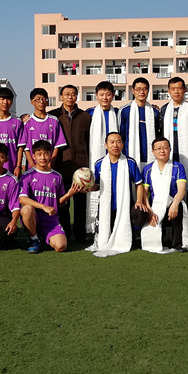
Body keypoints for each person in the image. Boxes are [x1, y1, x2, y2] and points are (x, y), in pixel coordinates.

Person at [87, 132, 151, 257]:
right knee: (105, 236)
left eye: (118, 142)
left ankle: (134, 233)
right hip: (106, 207)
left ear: (122, 144)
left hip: (125, 206)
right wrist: (87, 188)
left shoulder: (130, 163)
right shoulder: (99, 164)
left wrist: (139, 201)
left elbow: (139, 184)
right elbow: (97, 186)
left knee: (139, 213)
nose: (115, 145)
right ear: (106, 145)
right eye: (111, 142)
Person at [19, 140, 82, 253]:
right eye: (39, 154)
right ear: (33, 156)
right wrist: (44, 207)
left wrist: (69, 194)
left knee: (61, 246)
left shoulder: (57, 177)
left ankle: (42, 238)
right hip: (34, 217)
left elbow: (59, 204)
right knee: (27, 209)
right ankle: (34, 239)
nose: (43, 157)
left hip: (51, 220)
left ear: (51, 154)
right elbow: (22, 199)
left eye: (46, 154)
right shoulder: (27, 175)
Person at [48, 84, 91, 243]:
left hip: (81, 168)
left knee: (80, 204)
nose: (70, 97)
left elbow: (89, 141)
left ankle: (80, 235)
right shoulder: (53, 116)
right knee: (63, 203)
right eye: (66, 94)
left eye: (73, 94)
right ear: (61, 97)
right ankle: (64, 232)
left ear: (77, 96)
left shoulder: (85, 117)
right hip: (61, 166)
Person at [158, 76, 188, 248]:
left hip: (187, 155)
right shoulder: (163, 110)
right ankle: (166, 231)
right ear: (168, 91)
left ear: (184, 90)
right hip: (168, 154)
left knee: (186, 187)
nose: (176, 91)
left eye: (179, 88)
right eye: (173, 89)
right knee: (166, 187)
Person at [138, 137, 188, 253]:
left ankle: (177, 243)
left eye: (165, 148)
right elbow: (144, 192)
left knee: (179, 207)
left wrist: (175, 204)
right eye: (158, 148)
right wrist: (149, 211)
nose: (162, 151)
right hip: (154, 205)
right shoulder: (148, 169)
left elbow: (181, 189)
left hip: (172, 203)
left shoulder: (177, 167)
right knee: (138, 213)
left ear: (170, 150)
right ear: (153, 151)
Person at [86, 81, 120, 233]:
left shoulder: (118, 113)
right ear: (96, 96)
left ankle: (115, 225)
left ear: (113, 95)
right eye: (101, 94)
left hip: (116, 160)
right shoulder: (89, 114)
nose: (104, 98)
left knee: (115, 192)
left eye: (108, 94)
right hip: (96, 159)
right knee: (97, 191)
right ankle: (95, 226)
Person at [119, 77, 161, 170]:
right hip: (130, 154)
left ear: (148, 91)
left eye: (144, 89)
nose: (141, 92)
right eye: (138, 89)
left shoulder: (154, 112)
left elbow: (158, 135)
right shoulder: (125, 110)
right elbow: (120, 135)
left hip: (150, 156)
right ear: (133, 91)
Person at [19, 87, 66, 169]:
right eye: (38, 99)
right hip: (32, 167)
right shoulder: (27, 122)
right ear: (32, 102)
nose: (41, 102)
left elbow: (57, 144)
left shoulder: (54, 120)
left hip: (49, 166)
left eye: (44, 99)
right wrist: (32, 164)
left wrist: (52, 162)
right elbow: (26, 147)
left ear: (47, 101)